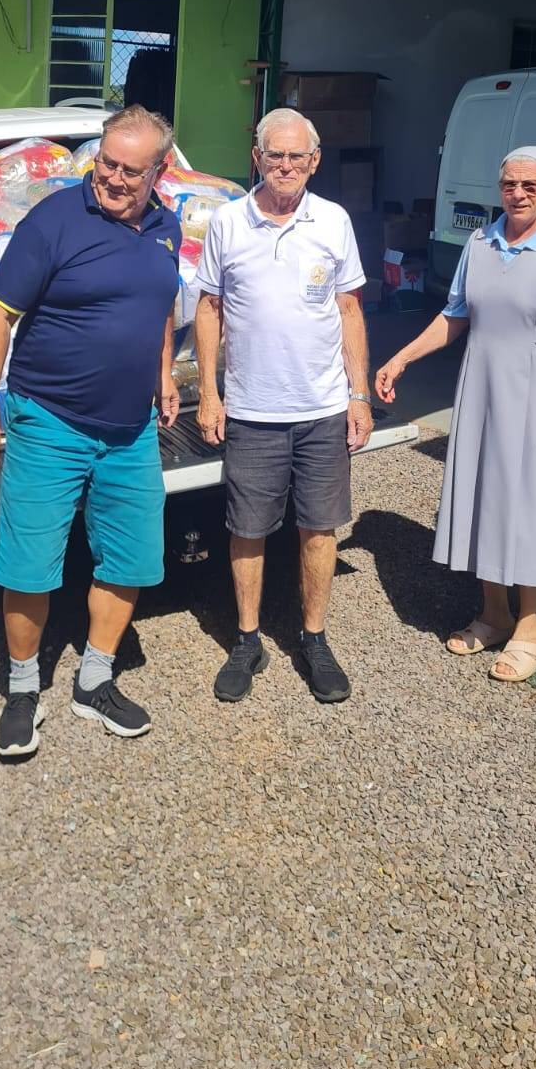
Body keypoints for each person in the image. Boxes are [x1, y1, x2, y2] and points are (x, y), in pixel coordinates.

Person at [0, 107, 181, 760]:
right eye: (105, 162)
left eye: (128, 169)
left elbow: (159, 302)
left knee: (135, 557)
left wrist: (164, 372)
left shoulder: (166, 228)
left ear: (159, 171)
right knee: (30, 564)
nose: (111, 177)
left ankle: (95, 678)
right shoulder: (54, 221)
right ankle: (23, 688)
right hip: (49, 420)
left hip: (129, 428)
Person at [376, 146, 536, 681]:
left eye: (530, 185)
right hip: (481, 390)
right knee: (484, 496)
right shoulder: (480, 242)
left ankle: (530, 626)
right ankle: (494, 614)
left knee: (529, 505)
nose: (518, 195)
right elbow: (455, 314)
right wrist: (401, 357)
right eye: (509, 185)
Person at [193, 107, 372, 705]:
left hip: (321, 408)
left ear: (315, 161)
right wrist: (212, 394)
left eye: (298, 156)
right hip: (251, 408)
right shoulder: (228, 223)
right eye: (276, 155)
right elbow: (210, 309)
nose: (287, 165)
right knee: (246, 530)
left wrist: (358, 394)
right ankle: (247, 639)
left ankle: (314, 638)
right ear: (258, 158)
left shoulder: (335, 221)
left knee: (319, 529)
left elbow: (349, 310)